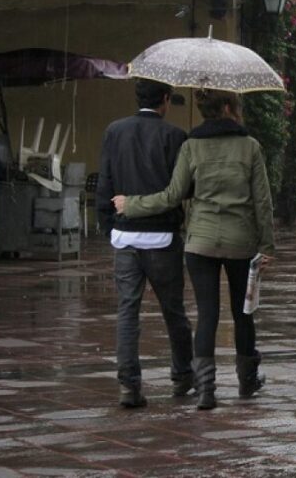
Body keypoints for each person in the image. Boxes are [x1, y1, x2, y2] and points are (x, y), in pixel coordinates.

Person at [113, 89, 275, 410]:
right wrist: (266, 245)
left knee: (207, 314)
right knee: (243, 314)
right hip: (241, 242)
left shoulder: (191, 146)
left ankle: (206, 391)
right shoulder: (250, 147)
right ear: (229, 107)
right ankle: (247, 380)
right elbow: (263, 203)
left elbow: (173, 195)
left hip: (199, 243)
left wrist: (130, 204)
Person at [96, 78, 193, 409]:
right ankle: (182, 376)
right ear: (165, 99)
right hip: (163, 237)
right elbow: (185, 189)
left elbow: (104, 182)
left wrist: (108, 226)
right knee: (173, 310)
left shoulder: (114, 131)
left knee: (128, 311)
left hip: (125, 236)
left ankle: (129, 385)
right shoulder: (175, 136)